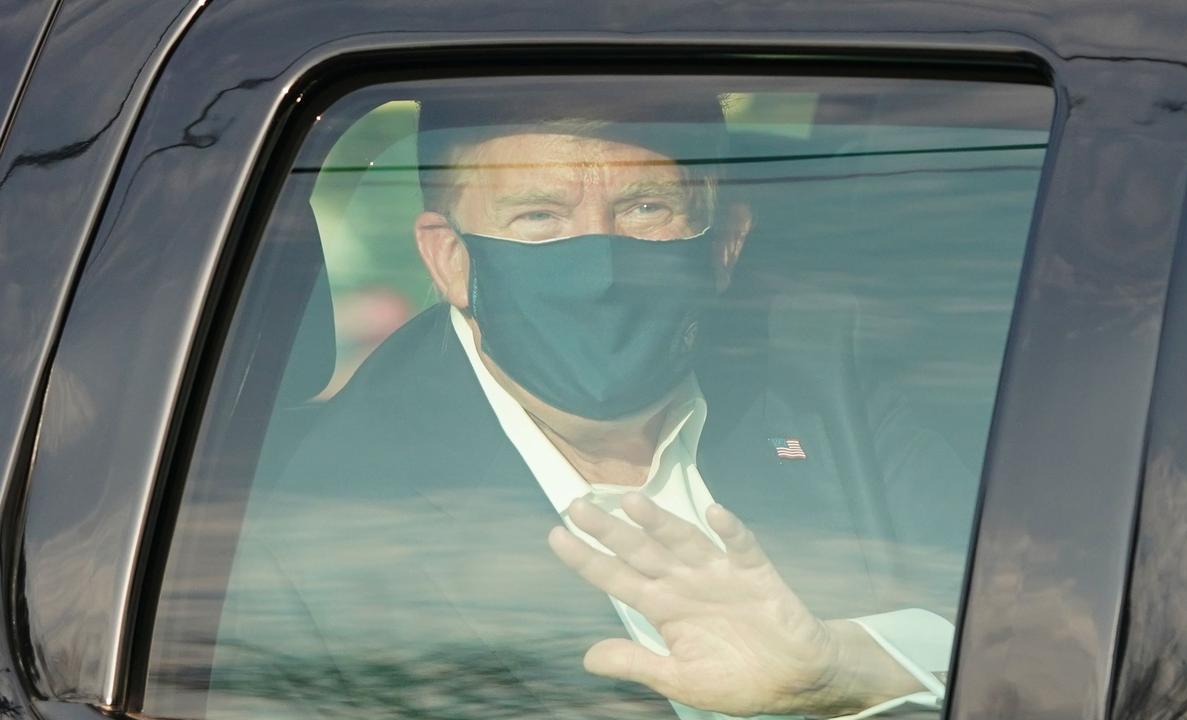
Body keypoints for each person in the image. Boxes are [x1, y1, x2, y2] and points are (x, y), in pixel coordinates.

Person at [210, 86, 967, 720]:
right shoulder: (313, 520)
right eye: (539, 218)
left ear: (724, 242)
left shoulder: (824, 386)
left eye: (644, 209)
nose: (600, 265)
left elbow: (1035, 624)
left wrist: (844, 672)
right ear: (450, 258)